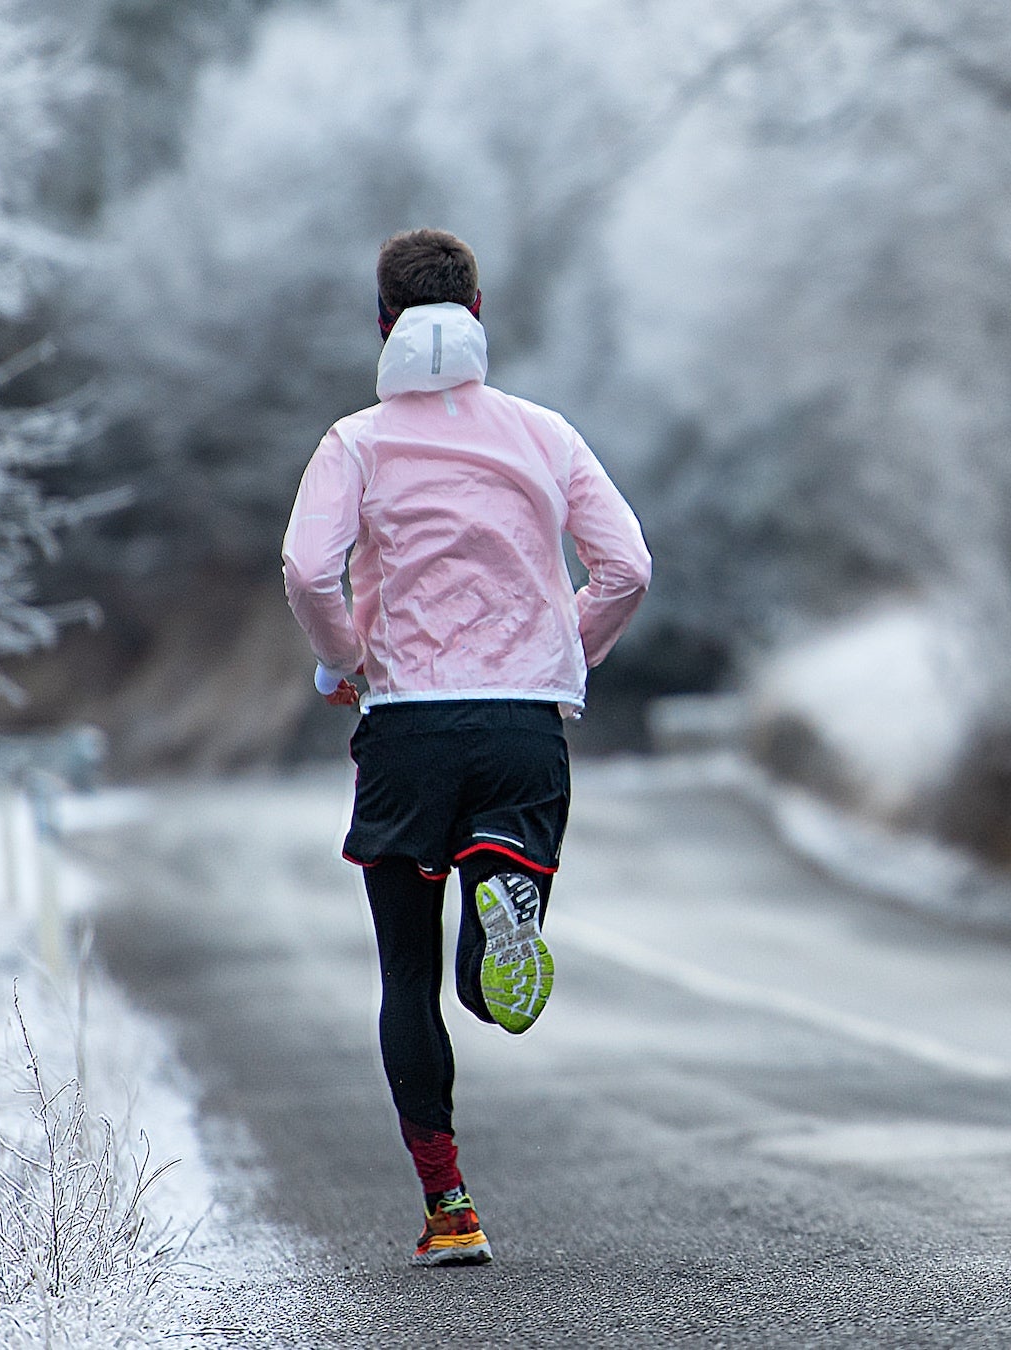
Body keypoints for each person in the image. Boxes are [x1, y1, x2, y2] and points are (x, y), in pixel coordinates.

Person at [281, 228, 651, 1267]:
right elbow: (626, 566)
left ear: (385, 325)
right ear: (479, 316)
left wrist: (345, 661)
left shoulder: (353, 443)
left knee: (406, 975)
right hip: (521, 723)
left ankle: (450, 1208)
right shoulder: (546, 436)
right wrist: (556, 653)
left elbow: (311, 574)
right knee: (485, 986)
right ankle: (500, 902)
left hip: (406, 728)